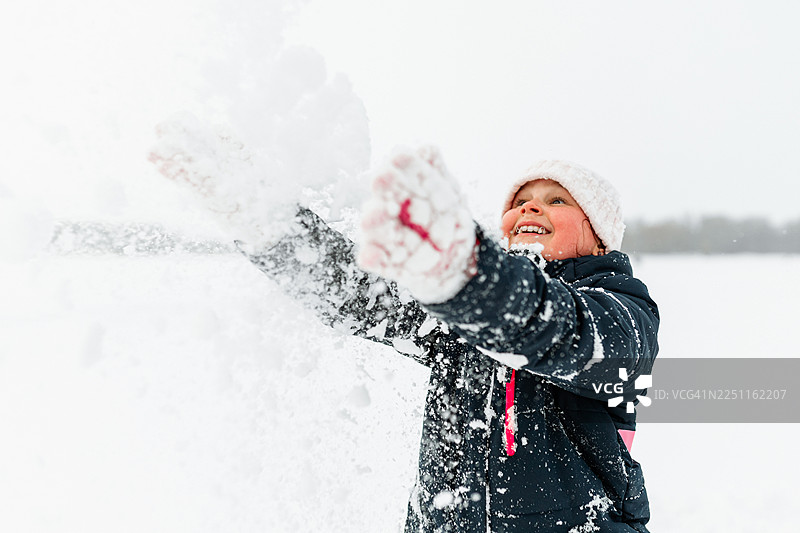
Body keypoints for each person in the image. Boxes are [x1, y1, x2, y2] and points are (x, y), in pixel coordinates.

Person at [149, 125, 659, 532]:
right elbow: (357, 294)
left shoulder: (621, 312)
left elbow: (563, 334)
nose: (530, 207)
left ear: (598, 238)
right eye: (520, 201)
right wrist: (262, 215)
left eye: (556, 201)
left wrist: (468, 272)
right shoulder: (459, 317)